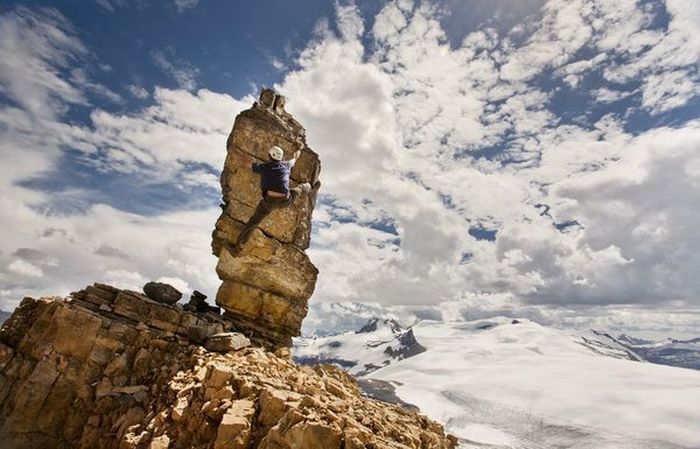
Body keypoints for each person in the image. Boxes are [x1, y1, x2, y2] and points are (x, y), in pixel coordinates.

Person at [228, 145, 316, 254]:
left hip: (269, 202)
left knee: (254, 222)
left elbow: (247, 163)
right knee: (301, 188)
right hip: (285, 200)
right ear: (280, 157)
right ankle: (311, 186)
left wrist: (235, 153)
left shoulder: (264, 167)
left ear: (269, 156)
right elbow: (295, 158)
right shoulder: (286, 165)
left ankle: (238, 247)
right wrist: (300, 148)